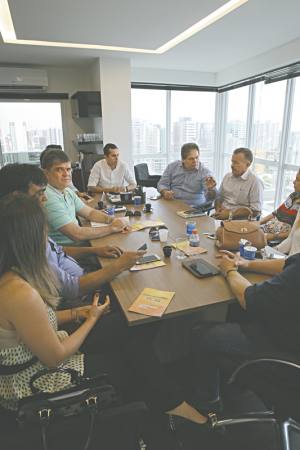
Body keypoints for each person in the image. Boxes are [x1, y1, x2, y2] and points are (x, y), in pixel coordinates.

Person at [0, 193, 211, 443]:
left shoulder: (13, 278)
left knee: (134, 338)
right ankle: (170, 408)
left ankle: (168, 402)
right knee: (133, 356)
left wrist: (79, 312)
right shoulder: (20, 292)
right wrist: (92, 318)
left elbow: (34, 322)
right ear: (30, 238)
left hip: (36, 358)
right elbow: (54, 356)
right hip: (37, 383)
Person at [0, 163, 142, 306]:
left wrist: (95, 250)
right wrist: (119, 266)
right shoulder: (24, 240)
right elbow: (72, 289)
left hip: (81, 278)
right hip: (77, 298)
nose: (45, 199)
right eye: (38, 193)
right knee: (134, 295)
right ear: (17, 197)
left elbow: (57, 251)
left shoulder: (28, 225)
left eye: (68, 169)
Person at [193, 248, 300, 405]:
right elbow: (290, 264)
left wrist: (229, 270)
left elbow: (248, 298)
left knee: (202, 334)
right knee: (239, 313)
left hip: (286, 353)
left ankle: (209, 403)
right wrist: (247, 263)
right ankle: (234, 386)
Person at [41, 149, 129, 245]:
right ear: (46, 173)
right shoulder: (47, 197)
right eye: (59, 169)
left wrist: (112, 220)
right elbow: (76, 233)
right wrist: (112, 228)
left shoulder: (67, 191)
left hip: (78, 244)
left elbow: (90, 213)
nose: (66, 174)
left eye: (68, 169)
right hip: (67, 252)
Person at [214, 148, 264, 219]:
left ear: (248, 164)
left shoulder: (255, 182)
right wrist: (218, 208)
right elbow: (219, 197)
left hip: (240, 222)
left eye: (236, 163)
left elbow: (256, 211)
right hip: (222, 216)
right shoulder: (227, 176)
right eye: (232, 162)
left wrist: (230, 214)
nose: (232, 165)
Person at [260, 169, 300, 242]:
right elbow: (275, 213)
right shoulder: (293, 195)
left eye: (298, 180)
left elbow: (295, 233)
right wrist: (258, 223)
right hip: (267, 230)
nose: (294, 182)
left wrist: (272, 236)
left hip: (277, 239)